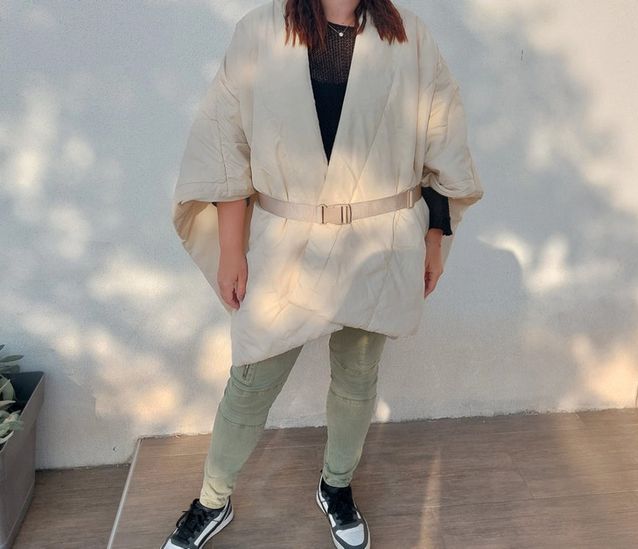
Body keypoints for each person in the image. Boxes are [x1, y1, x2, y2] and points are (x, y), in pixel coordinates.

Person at [163, 0, 483, 547]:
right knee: (251, 380)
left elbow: (443, 141)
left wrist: (433, 239)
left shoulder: (409, 37)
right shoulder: (260, 32)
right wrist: (232, 251)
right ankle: (212, 499)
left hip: (380, 243)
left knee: (357, 377)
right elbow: (225, 149)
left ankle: (336, 485)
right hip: (285, 243)